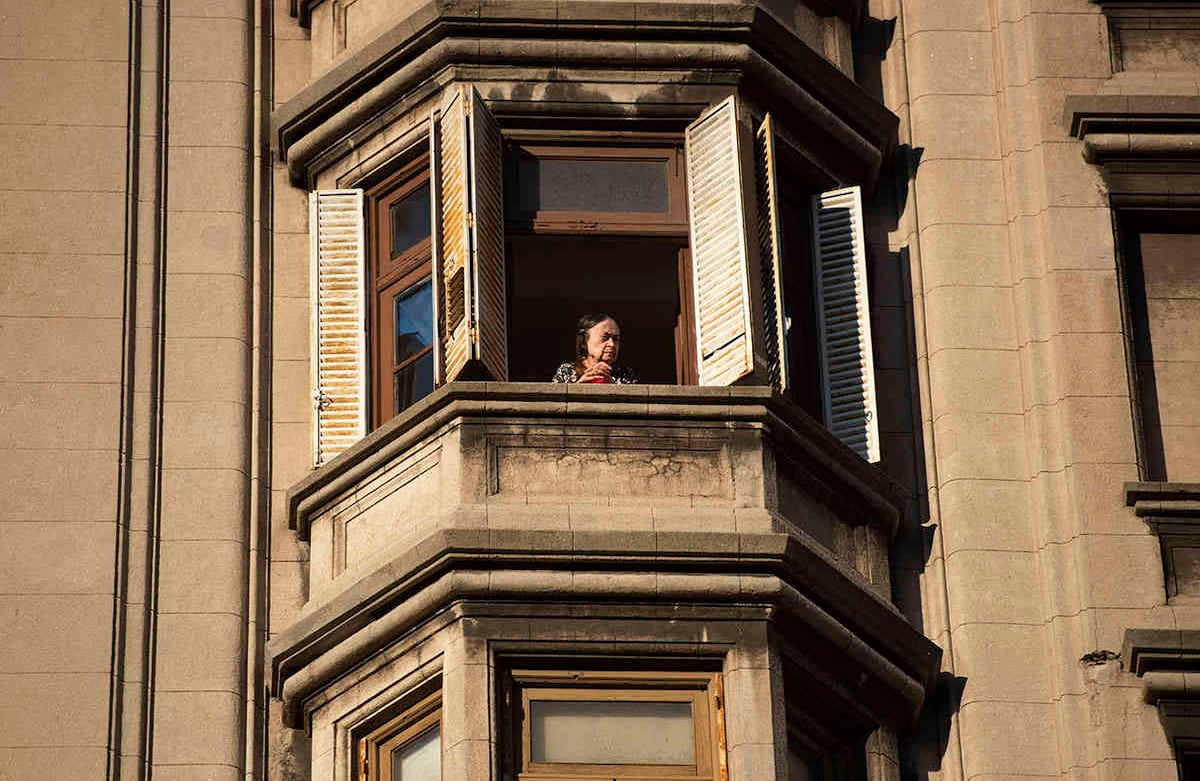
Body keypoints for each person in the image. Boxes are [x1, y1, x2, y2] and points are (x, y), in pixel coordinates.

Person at [552, 314, 638, 384]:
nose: (612, 344)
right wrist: (580, 388)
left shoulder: (625, 374)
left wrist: (611, 386)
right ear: (584, 341)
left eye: (616, 339)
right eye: (605, 338)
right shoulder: (567, 370)